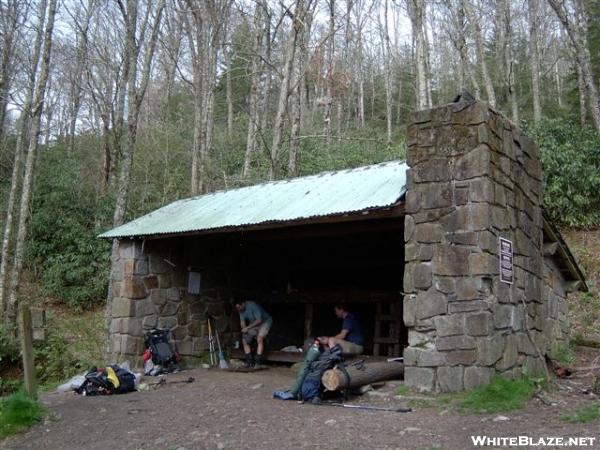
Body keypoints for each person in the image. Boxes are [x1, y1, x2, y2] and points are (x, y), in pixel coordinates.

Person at [234, 299, 273, 367]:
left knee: (259, 337)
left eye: (239, 307)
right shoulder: (240, 310)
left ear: (243, 304)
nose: (238, 309)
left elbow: (259, 320)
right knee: (244, 339)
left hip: (265, 322)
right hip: (254, 323)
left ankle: (258, 361)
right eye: (237, 308)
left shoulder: (253, 305)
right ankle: (249, 361)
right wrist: (244, 329)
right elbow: (242, 322)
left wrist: (248, 328)